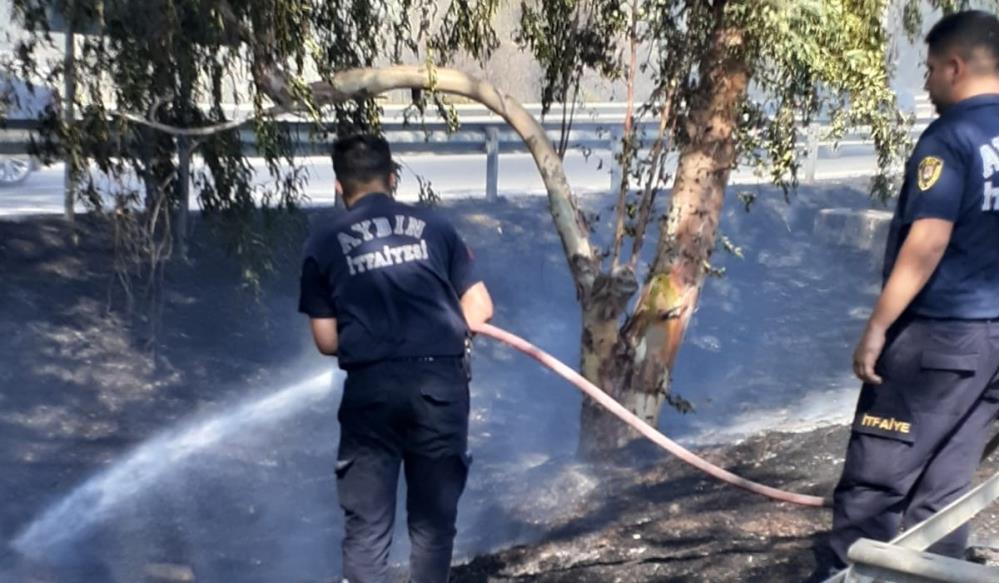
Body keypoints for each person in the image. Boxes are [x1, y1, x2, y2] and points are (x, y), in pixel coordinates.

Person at [811, 9, 999, 580]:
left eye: (929, 68)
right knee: (942, 488)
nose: (925, 82)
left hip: (938, 342)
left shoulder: (951, 137)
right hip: (991, 349)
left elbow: (929, 241)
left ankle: (849, 577)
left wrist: (877, 328)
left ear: (955, 66)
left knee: (877, 481)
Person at [298, 134, 494, 583]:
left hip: (371, 395)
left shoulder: (322, 242)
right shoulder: (438, 228)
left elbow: (326, 339)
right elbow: (480, 308)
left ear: (337, 186)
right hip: (441, 391)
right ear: (392, 178)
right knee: (432, 525)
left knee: (366, 530)